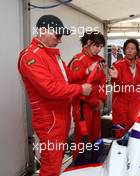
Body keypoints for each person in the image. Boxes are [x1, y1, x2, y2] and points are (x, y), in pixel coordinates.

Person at [18, 15, 92, 176]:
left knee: (55, 163)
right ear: (43, 31)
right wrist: (80, 90)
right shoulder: (30, 56)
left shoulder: (53, 54)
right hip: (49, 120)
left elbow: (69, 77)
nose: (60, 40)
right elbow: (49, 89)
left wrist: (87, 71)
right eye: (57, 35)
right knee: (51, 166)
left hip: (61, 116)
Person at [109, 39, 140, 138]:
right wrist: (115, 78)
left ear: (136, 51)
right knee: (119, 130)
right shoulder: (118, 64)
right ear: (124, 50)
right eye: (127, 48)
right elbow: (114, 84)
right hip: (120, 102)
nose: (129, 51)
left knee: (132, 128)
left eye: (132, 48)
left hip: (135, 103)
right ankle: (118, 148)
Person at [68, 31, 107, 159]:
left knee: (95, 135)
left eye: (101, 46)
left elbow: (102, 81)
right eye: (97, 45)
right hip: (82, 106)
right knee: (82, 138)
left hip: (96, 105)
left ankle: (94, 162)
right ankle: (78, 166)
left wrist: (101, 100)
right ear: (88, 43)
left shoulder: (100, 60)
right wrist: (95, 101)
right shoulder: (78, 60)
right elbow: (77, 87)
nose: (99, 49)